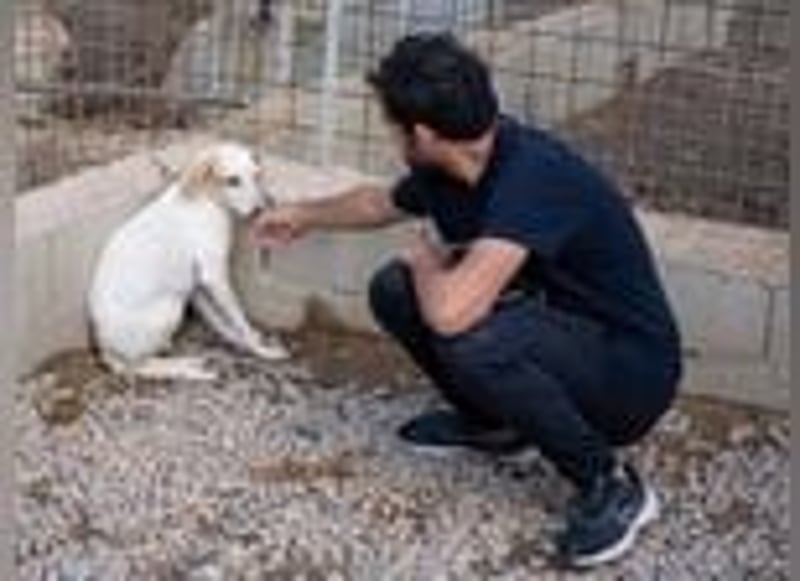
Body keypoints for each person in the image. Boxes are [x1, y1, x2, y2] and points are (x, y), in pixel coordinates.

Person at [251, 32, 682, 569]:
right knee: (394, 290)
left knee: (472, 334)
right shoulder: (454, 164)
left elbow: (451, 314)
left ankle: (610, 483)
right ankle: (494, 425)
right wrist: (302, 215)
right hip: (559, 335)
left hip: (629, 373)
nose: (391, 136)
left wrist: (428, 263)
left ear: (422, 133)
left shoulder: (533, 176)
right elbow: (377, 204)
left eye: (392, 125)